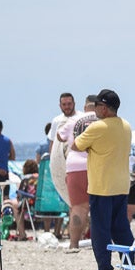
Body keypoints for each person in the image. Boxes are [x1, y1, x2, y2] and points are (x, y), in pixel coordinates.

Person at [72, 88, 134, 270]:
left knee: (101, 232)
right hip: (122, 186)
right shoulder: (126, 126)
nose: (94, 109)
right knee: (122, 230)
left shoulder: (97, 128)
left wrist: (91, 146)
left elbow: (75, 146)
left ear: (105, 108)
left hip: (102, 187)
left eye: (97, 105)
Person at [58, 95, 97, 250]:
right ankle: (98, 243)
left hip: (75, 166)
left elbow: (59, 137)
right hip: (96, 166)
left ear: (85, 105)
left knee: (78, 207)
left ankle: (73, 244)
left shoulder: (73, 119)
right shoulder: (103, 120)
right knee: (98, 207)